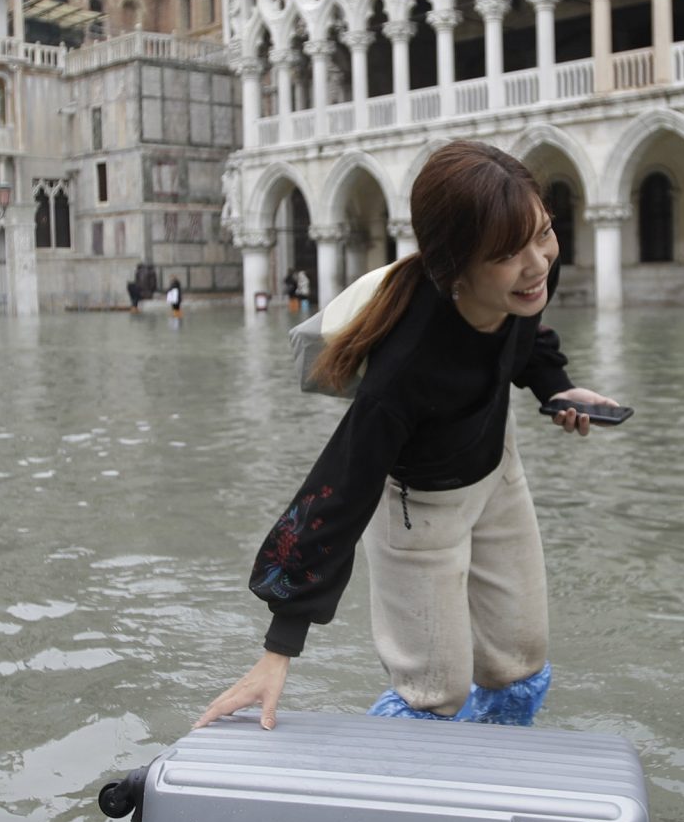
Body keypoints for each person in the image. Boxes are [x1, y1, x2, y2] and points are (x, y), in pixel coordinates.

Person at [193, 142, 624, 733]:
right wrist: (279, 648)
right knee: (434, 694)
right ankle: (406, 788)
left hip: (496, 470)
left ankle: (496, 772)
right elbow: (338, 493)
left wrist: (558, 390)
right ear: (455, 267)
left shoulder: (515, 292)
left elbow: (526, 343)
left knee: (520, 662)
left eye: (544, 233)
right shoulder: (405, 371)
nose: (538, 263)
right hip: (417, 512)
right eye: (507, 252)